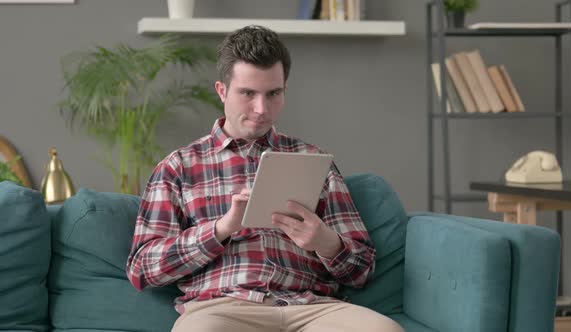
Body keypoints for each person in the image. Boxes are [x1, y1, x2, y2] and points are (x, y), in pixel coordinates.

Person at [126, 25, 404, 332]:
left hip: (311, 308)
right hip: (224, 309)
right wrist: (221, 229)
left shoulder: (314, 160)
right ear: (222, 91)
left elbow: (362, 271)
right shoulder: (178, 167)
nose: (261, 109)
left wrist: (326, 243)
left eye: (273, 94)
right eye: (248, 93)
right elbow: (142, 270)